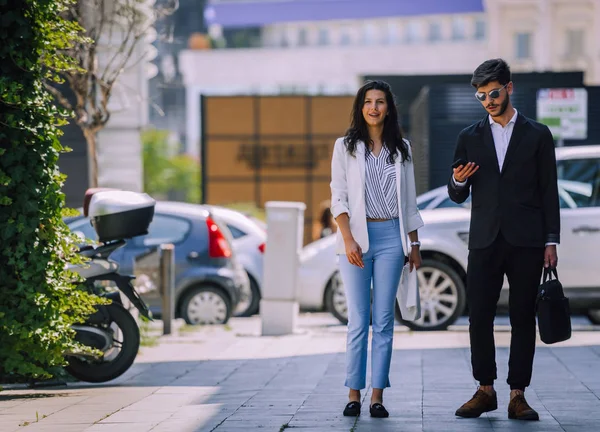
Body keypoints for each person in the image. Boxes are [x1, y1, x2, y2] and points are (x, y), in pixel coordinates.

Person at [448, 59, 560, 421]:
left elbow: (549, 191)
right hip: (484, 239)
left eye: (493, 93)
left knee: (522, 318)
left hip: (527, 240)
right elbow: (455, 193)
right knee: (478, 315)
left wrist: (551, 241)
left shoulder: (538, 134)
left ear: (509, 88)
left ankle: (517, 394)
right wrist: (461, 181)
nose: (488, 101)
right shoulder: (469, 136)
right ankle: (485, 389)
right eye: (481, 96)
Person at [330, 80, 424, 418]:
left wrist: (413, 243)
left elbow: (410, 201)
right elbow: (337, 196)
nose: (373, 107)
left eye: (380, 102)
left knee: (384, 320)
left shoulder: (403, 149)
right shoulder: (345, 147)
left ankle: (377, 396)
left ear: (388, 108)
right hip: (354, 238)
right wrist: (348, 238)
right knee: (358, 318)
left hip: (390, 239)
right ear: (360, 107)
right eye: (368, 101)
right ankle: (354, 393)